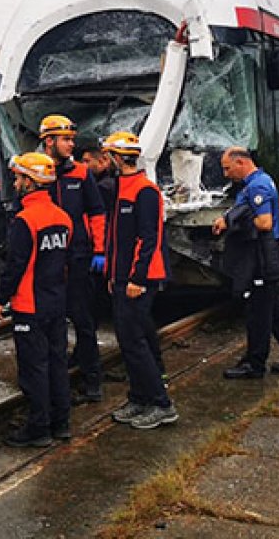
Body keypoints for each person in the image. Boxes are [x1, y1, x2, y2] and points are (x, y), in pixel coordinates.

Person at [0, 152, 73, 447]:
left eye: (19, 177)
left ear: (30, 181)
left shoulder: (25, 221)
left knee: (34, 368)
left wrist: (0, 298)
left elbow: (16, 266)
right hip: (56, 301)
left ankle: (38, 428)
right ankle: (61, 422)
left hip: (29, 304)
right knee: (57, 362)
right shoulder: (63, 219)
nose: (15, 181)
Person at [100, 131, 179, 430]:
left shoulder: (144, 191)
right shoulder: (122, 188)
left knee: (134, 341)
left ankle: (161, 404)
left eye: (109, 156)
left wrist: (137, 277)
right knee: (128, 340)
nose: (106, 161)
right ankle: (140, 397)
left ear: (119, 158)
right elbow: (116, 238)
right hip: (122, 278)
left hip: (139, 280)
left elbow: (149, 239)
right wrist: (112, 275)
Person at [213, 147, 279, 379]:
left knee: (258, 313)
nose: (226, 174)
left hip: (261, 256)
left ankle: (255, 364)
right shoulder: (258, 181)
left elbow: (264, 222)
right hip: (265, 255)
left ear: (241, 163)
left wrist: (231, 224)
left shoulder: (257, 186)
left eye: (228, 168)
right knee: (275, 310)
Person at [38, 115, 109, 404]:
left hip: (79, 258)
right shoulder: (37, 173)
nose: (71, 145)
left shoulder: (81, 174)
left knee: (83, 320)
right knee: (50, 322)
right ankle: (55, 380)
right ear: (49, 141)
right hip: (48, 260)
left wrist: (100, 250)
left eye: (72, 139)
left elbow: (97, 212)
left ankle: (93, 380)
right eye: (66, 139)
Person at [80, 146, 118, 212]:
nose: (83, 165)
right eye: (82, 162)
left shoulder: (103, 187)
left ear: (101, 162)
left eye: (87, 161)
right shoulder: (113, 180)